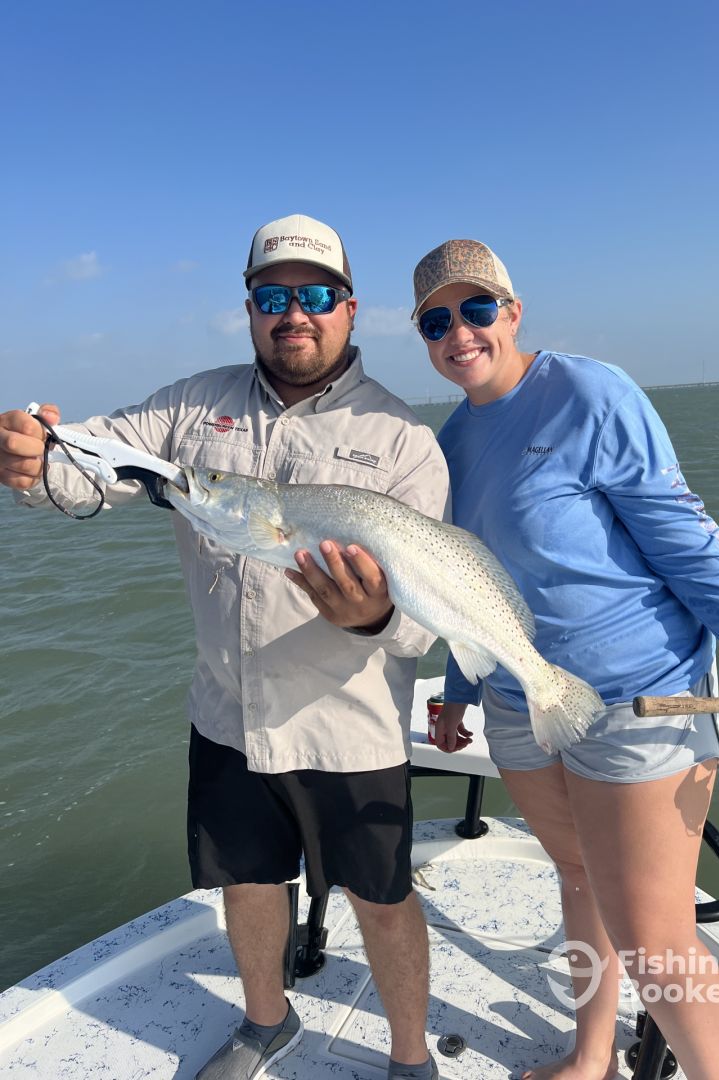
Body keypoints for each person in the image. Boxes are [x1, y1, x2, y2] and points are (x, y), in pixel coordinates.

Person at [0, 214, 448, 1080]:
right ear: (248, 310)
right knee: (247, 882)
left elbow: (423, 618)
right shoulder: (189, 407)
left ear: (350, 308)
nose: (295, 314)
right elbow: (90, 463)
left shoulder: (404, 442)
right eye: (272, 298)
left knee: (383, 898)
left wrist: (370, 618)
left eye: (316, 295)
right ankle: (266, 1022)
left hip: (348, 728)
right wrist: (31, 456)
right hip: (226, 715)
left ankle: (409, 1056)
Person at [410, 238, 719, 1080]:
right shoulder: (449, 443)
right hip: (520, 700)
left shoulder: (590, 394)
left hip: (639, 698)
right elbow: (460, 584)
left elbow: (692, 551)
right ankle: (591, 1055)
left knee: (655, 939)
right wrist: (456, 693)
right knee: (577, 876)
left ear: (513, 312)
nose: (460, 333)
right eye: (436, 322)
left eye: (477, 309)